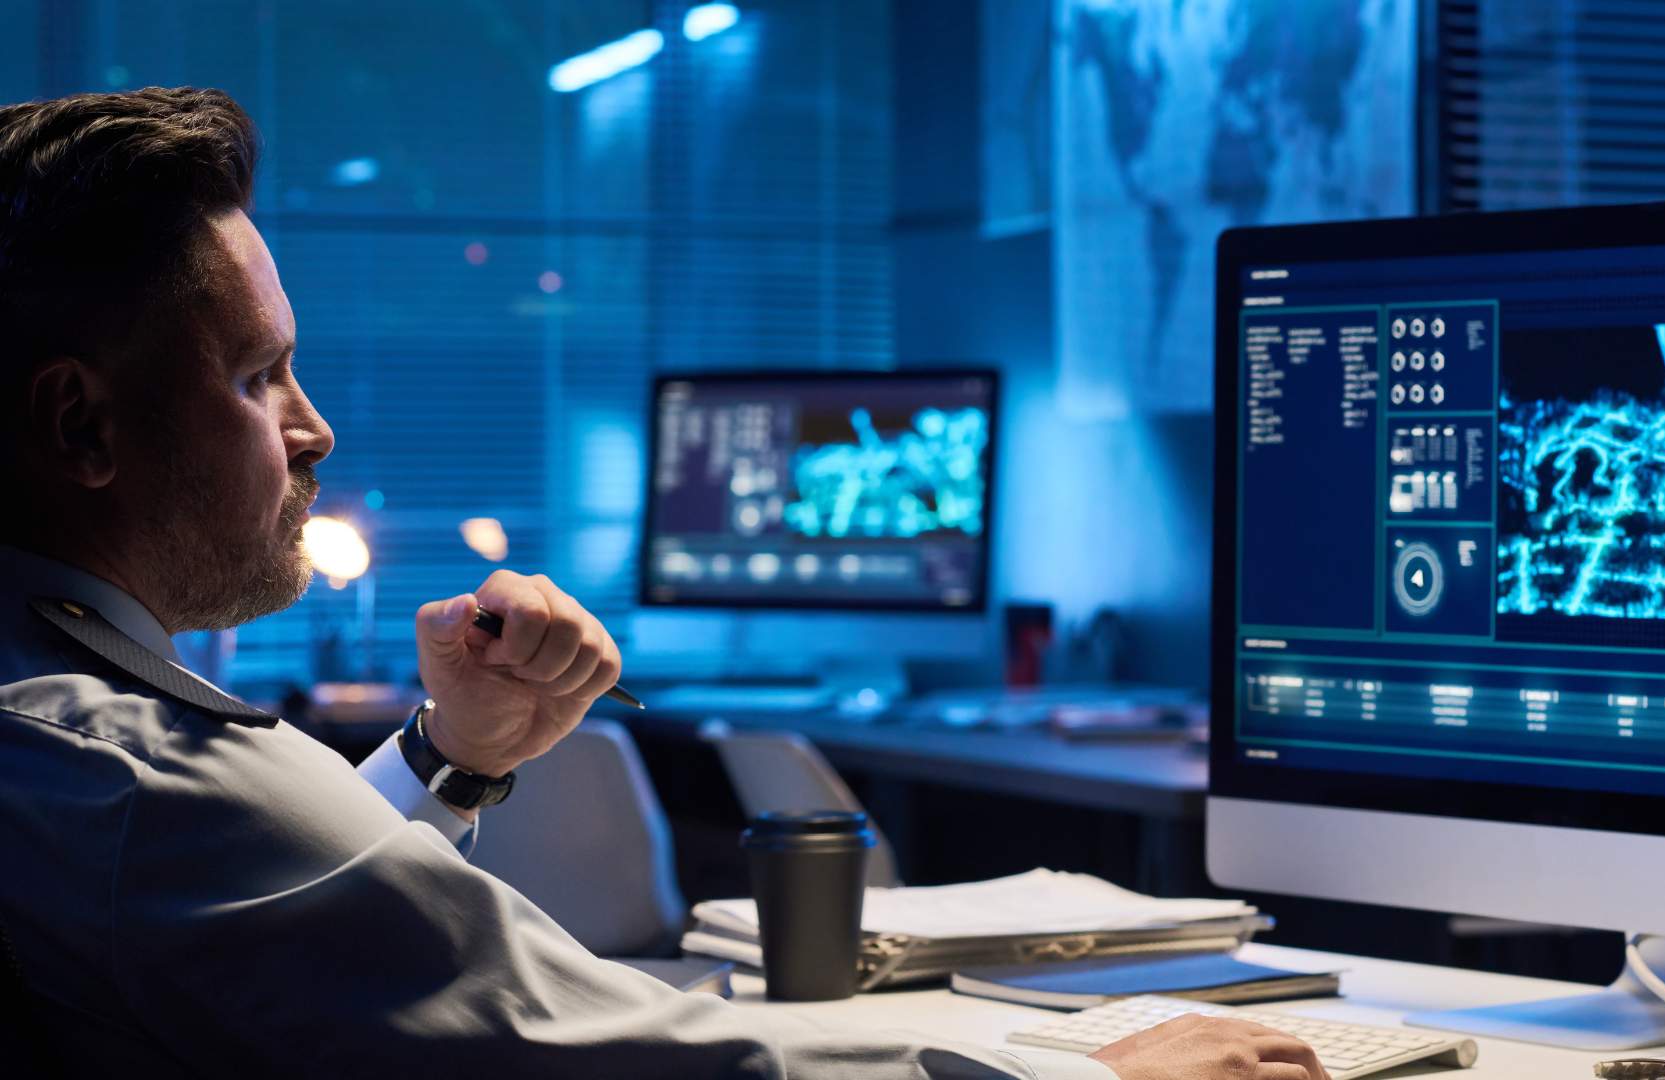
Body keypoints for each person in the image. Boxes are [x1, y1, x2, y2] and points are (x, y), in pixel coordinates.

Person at [0, 86, 1328, 1080]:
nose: (314, 428)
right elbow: (619, 1055)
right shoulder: (135, 779)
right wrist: (1087, 1075)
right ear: (80, 426)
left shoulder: (66, 739)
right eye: (257, 377)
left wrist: (455, 757)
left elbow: (287, 929)